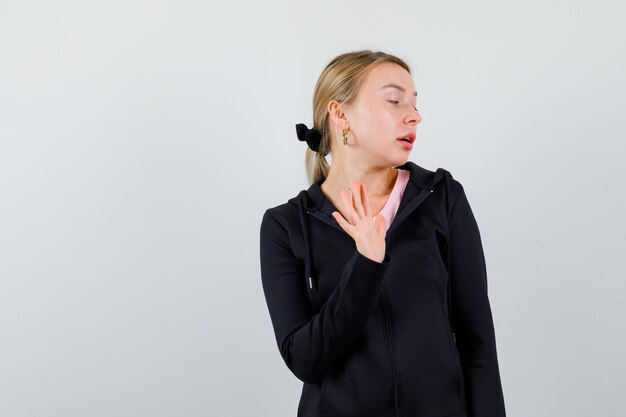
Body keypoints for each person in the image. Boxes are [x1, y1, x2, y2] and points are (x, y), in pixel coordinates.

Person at [259, 50, 506, 417]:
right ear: (340, 114)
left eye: (414, 103)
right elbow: (305, 360)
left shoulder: (441, 198)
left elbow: (477, 341)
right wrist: (366, 265)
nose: (414, 115)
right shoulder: (287, 226)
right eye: (394, 100)